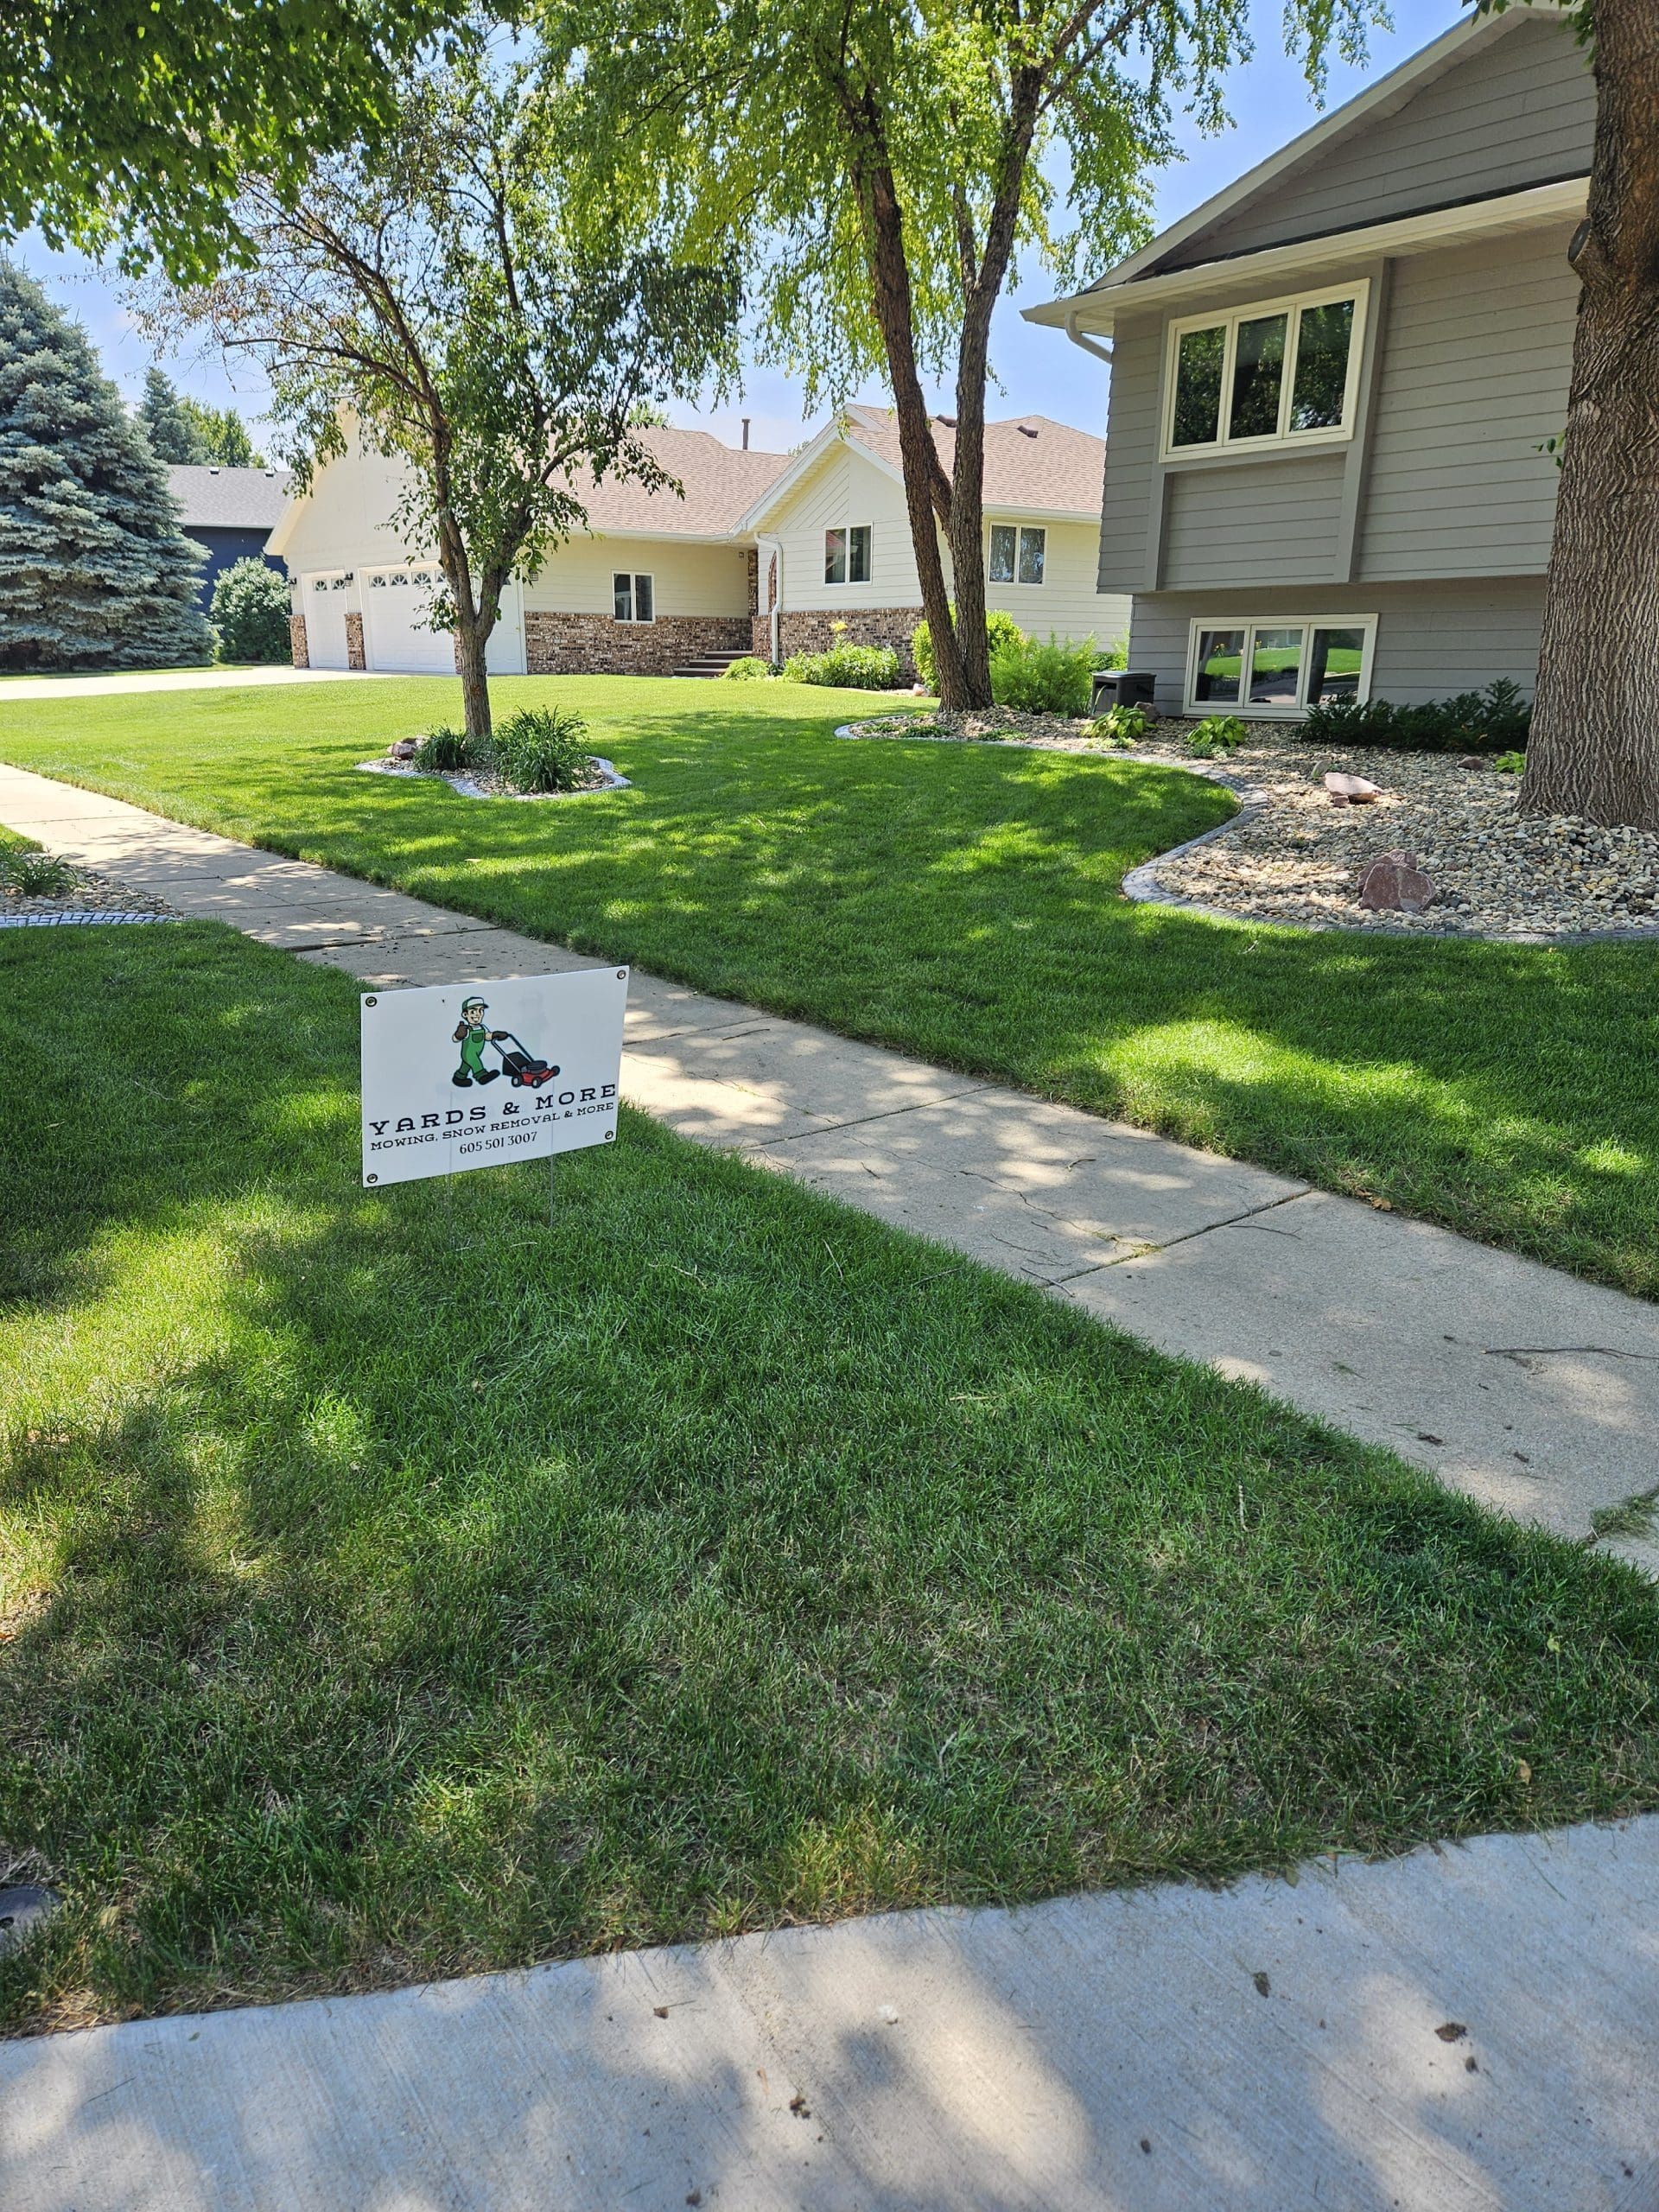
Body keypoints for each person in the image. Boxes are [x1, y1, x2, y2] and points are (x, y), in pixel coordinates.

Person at [451, 995, 508, 1087]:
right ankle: (481, 1076)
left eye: (481, 1010)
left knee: (465, 1066)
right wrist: (459, 1034)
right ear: (465, 1015)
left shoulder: (482, 1027)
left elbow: (487, 1036)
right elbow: (455, 1039)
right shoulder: (467, 1029)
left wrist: (496, 1035)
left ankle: (459, 1078)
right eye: (473, 1011)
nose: (478, 1014)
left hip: (477, 1052)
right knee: (474, 1062)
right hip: (468, 1053)